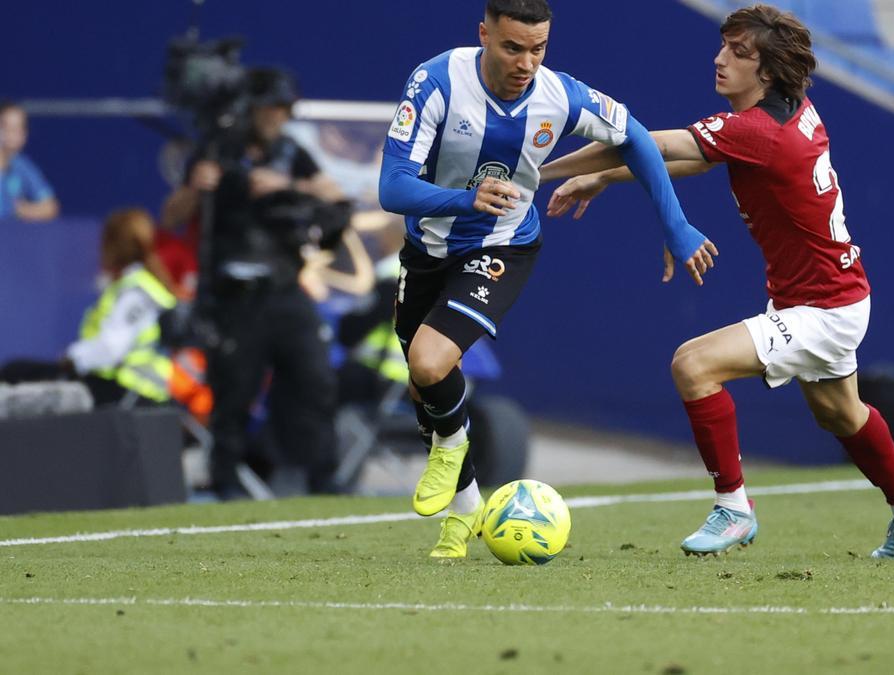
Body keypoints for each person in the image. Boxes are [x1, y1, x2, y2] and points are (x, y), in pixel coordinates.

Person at [541, 4, 894, 559]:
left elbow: (646, 144)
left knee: (693, 364)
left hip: (822, 309)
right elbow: (699, 160)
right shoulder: (791, 110)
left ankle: (733, 508)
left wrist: (543, 170)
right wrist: (603, 178)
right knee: (838, 412)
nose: (720, 58)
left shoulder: (757, 131)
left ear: (769, 71)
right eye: (724, 45)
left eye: (740, 52)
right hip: (837, 294)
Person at [378, 0, 717, 558]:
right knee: (425, 386)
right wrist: (465, 199)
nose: (526, 63)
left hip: (503, 246)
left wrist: (676, 225)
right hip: (427, 250)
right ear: (483, 35)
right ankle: (463, 516)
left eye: (538, 49)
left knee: (430, 361)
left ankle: (448, 457)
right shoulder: (436, 81)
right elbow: (392, 187)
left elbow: (634, 135)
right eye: (512, 47)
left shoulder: (559, 95)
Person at [162, 68, 350, 500]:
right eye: (270, 108)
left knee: (316, 380)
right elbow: (172, 216)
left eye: (284, 109)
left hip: (285, 290)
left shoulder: (291, 154)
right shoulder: (215, 153)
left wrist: (290, 185)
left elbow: (336, 198)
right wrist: (195, 187)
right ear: (252, 109)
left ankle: (324, 478)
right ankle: (226, 480)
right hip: (234, 298)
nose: (277, 117)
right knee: (232, 392)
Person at [0, 208, 177, 406]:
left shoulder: (137, 293)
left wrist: (72, 358)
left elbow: (110, 348)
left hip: (126, 394)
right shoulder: (134, 285)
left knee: (15, 372)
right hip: (119, 389)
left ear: (112, 246)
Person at [0, 101, 59, 221]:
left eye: (20, 127)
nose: (14, 133)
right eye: (7, 127)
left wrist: (20, 209)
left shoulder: (22, 165)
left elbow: (50, 207)